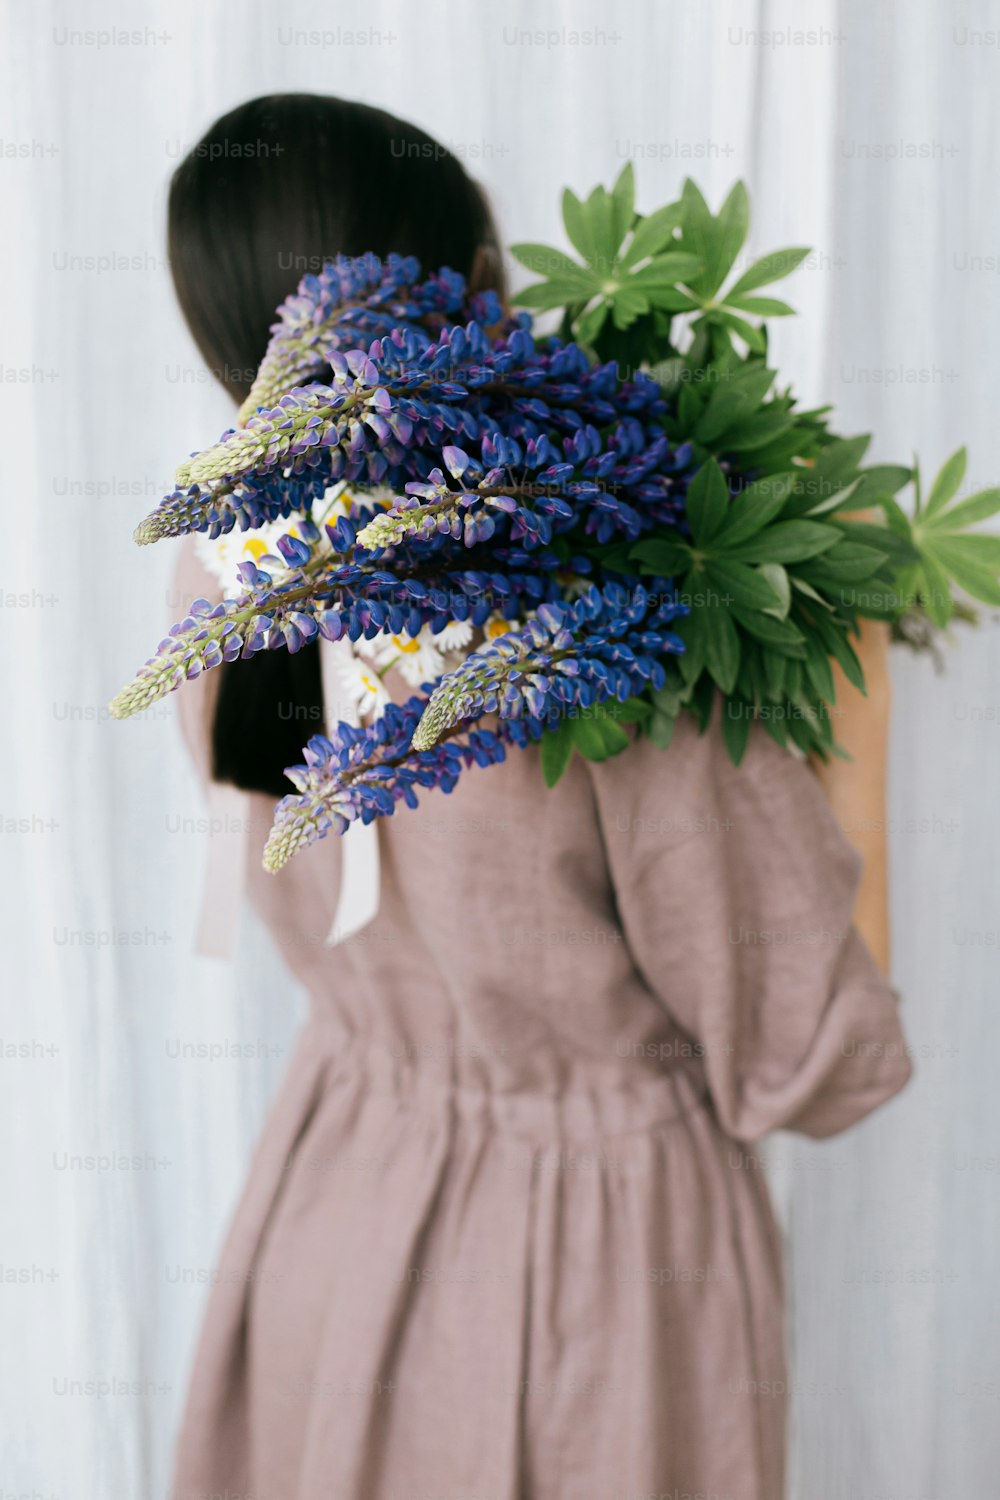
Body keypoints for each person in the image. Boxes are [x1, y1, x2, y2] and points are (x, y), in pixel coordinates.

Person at [166, 93, 910, 1500]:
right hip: (601, 1288)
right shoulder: (609, 625)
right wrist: (855, 657)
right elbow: (809, 1054)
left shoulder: (220, 574)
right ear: (475, 287)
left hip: (340, 1197)